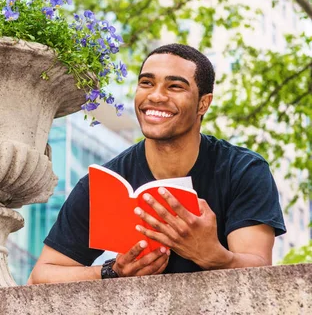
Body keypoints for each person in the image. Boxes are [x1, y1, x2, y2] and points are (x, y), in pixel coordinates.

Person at [28, 43, 286, 284]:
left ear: (203, 104)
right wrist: (112, 271)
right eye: (146, 83)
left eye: (175, 86)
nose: (156, 96)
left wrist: (213, 255)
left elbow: (260, 270)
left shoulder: (243, 170)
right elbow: (42, 275)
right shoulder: (105, 182)